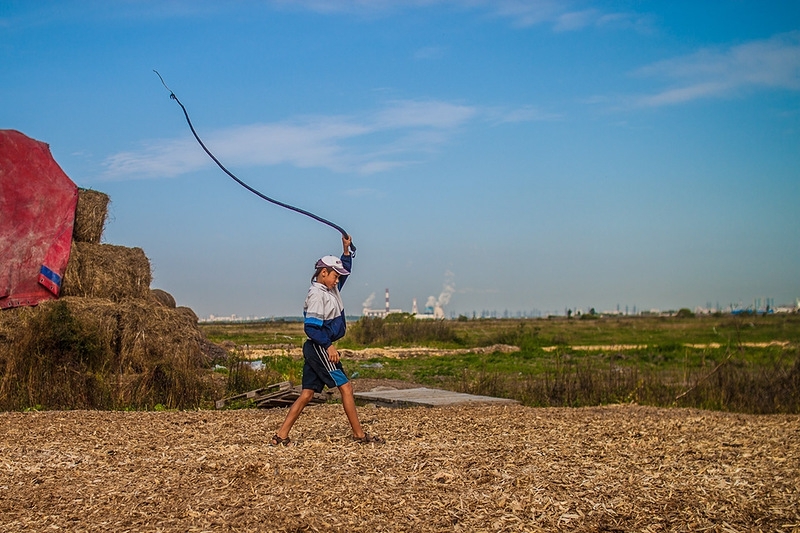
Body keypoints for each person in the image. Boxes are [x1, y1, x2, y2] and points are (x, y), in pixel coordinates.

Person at [270, 235, 384, 446]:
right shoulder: (317, 295)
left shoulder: (330, 289)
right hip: (320, 347)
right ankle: (359, 435)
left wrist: (346, 250)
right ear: (324, 273)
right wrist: (329, 346)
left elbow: (344, 272)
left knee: (306, 394)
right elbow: (311, 327)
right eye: (335, 276)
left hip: (316, 348)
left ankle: (281, 436)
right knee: (346, 388)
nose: (338, 280)